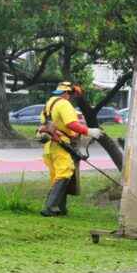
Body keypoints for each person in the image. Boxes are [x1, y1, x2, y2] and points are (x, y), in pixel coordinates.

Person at [37, 82, 103, 217]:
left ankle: (60, 209)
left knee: (57, 176)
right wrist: (89, 131)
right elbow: (71, 124)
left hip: (49, 147)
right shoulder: (64, 104)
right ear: (66, 93)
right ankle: (49, 208)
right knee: (65, 173)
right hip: (61, 144)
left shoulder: (48, 104)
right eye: (71, 95)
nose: (71, 98)